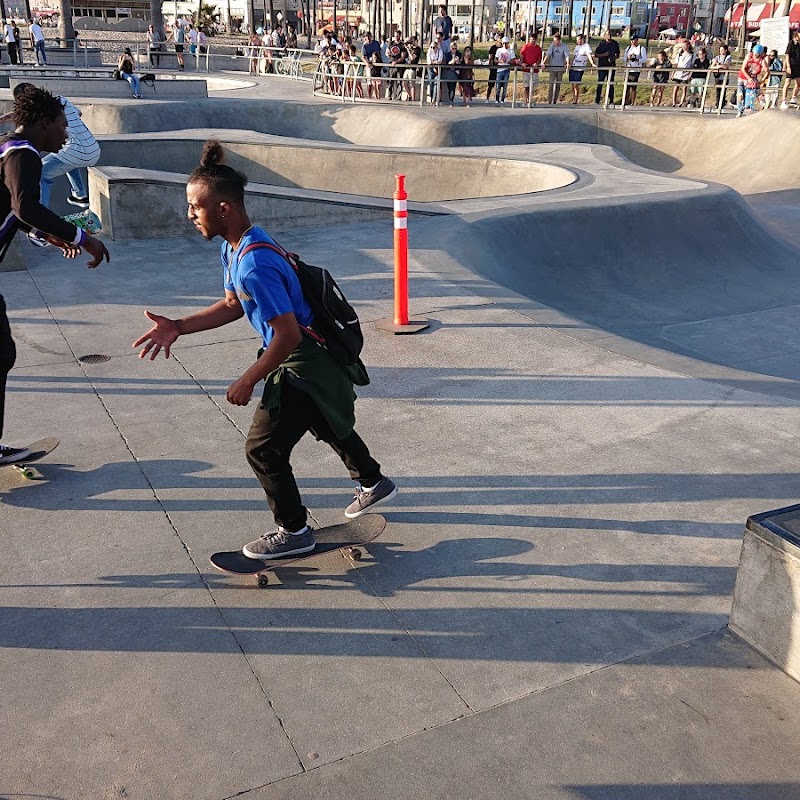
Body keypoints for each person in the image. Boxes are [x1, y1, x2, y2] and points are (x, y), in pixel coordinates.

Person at [132, 140, 397, 559]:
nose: (189, 216)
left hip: (305, 362)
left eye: (194, 208)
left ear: (223, 210)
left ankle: (293, 531)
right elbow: (232, 305)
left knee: (264, 449)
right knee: (323, 418)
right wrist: (178, 326)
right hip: (310, 356)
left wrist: (247, 380)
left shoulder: (255, 264)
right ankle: (371, 479)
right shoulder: (234, 246)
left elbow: (287, 334)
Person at [0, 85, 109, 463]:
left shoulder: (9, 147)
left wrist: (44, 232)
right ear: (44, 122)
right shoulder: (23, 154)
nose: (66, 134)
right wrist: (81, 237)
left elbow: (15, 210)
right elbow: (25, 205)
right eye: (63, 125)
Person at [0, 84, 101, 217]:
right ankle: (80, 194)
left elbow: (34, 117)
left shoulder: (42, 116)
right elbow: (79, 113)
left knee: (41, 172)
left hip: (76, 152)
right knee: (64, 156)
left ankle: (40, 217)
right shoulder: (61, 100)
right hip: (93, 148)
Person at [736, 43, 768, 116]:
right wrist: (748, 78)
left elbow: (767, 72)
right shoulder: (749, 56)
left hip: (753, 79)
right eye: (755, 54)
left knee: (752, 92)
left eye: (757, 54)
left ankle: (762, 103)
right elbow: (743, 68)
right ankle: (739, 111)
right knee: (740, 95)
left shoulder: (762, 61)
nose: (756, 56)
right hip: (742, 77)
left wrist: (762, 81)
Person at [594, 29, 620, 104]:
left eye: (610, 34)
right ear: (605, 35)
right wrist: (604, 55)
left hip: (611, 66)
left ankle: (611, 100)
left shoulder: (615, 43)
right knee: (600, 83)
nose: (609, 35)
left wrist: (613, 58)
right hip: (602, 66)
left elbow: (618, 54)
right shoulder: (601, 44)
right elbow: (596, 54)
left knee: (611, 84)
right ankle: (597, 100)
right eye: (608, 34)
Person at [543, 32, 570, 104]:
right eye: (553, 41)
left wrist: (567, 63)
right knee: (551, 85)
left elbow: (567, 56)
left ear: (559, 40)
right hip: (552, 68)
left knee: (558, 85)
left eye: (556, 41)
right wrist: (543, 62)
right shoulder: (552, 46)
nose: (554, 42)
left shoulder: (564, 46)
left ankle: (554, 100)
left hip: (560, 69)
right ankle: (549, 101)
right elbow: (548, 54)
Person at [569, 33, 596, 104]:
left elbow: (589, 55)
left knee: (576, 84)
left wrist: (592, 63)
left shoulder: (586, 46)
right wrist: (569, 64)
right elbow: (574, 57)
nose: (577, 41)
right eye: (577, 40)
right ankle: (574, 98)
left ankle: (576, 100)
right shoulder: (576, 47)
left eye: (578, 40)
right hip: (573, 67)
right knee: (572, 84)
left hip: (580, 68)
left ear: (582, 39)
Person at [622, 34, 646, 106]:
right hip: (628, 69)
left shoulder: (641, 48)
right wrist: (628, 58)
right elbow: (624, 58)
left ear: (637, 40)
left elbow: (644, 59)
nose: (632, 42)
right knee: (626, 86)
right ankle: (625, 101)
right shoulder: (628, 48)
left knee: (633, 87)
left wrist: (636, 59)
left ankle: (632, 102)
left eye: (634, 40)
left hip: (635, 70)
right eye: (631, 40)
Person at [519, 33, 542, 105]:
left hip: (534, 70)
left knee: (532, 85)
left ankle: (530, 100)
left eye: (533, 39)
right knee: (526, 85)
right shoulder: (525, 46)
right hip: (526, 69)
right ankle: (526, 100)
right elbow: (522, 55)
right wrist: (522, 63)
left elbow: (539, 58)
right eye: (530, 39)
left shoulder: (538, 48)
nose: (531, 41)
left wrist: (537, 63)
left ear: (535, 40)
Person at [780, 29, 800, 109]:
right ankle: (783, 100)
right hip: (791, 65)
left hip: (798, 66)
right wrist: (788, 66)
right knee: (787, 82)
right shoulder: (791, 43)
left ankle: (793, 98)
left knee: (798, 83)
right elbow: (787, 55)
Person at [671, 39, 693, 107]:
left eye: (685, 45)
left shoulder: (691, 54)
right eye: (683, 46)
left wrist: (690, 74)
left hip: (686, 73)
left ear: (688, 45)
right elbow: (676, 64)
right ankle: (674, 102)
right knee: (676, 87)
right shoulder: (680, 54)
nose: (684, 47)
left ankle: (681, 102)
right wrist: (673, 73)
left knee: (684, 88)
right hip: (678, 72)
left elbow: (692, 65)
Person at [494, 36, 515, 104]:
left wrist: (509, 62)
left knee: (505, 86)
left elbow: (513, 60)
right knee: (498, 85)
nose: (505, 45)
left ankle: (503, 99)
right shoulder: (499, 50)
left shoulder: (511, 51)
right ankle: (497, 98)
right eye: (504, 43)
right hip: (500, 69)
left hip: (506, 69)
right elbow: (495, 60)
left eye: (506, 43)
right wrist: (499, 61)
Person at [710, 43, 732, 109]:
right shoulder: (717, 57)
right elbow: (711, 67)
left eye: (722, 50)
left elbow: (726, 66)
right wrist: (718, 66)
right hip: (718, 77)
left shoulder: (728, 57)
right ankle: (717, 104)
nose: (721, 51)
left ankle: (721, 104)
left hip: (724, 77)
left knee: (723, 91)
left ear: (725, 50)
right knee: (718, 91)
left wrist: (718, 64)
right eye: (720, 50)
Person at [427, 35, 444, 103]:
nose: (432, 49)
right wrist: (435, 62)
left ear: (437, 47)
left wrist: (434, 62)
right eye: (431, 47)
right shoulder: (429, 51)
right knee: (431, 82)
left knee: (436, 82)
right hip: (431, 69)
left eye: (433, 47)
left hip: (438, 69)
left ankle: (434, 99)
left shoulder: (440, 51)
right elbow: (429, 62)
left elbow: (440, 61)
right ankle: (431, 97)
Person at [485, 38, 498, 103]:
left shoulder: (504, 48)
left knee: (499, 84)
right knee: (490, 84)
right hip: (493, 68)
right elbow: (490, 56)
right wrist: (490, 64)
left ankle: (497, 98)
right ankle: (487, 98)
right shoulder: (493, 47)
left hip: (500, 68)